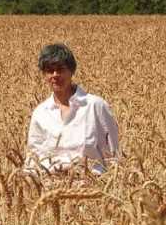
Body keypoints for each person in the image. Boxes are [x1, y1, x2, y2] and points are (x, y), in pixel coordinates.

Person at [26, 43, 120, 174]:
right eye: (49, 70)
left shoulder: (95, 106)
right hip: (51, 188)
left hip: (90, 188)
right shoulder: (40, 113)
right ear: (44, 75)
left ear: (72, 71)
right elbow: (33, 159)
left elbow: (113, 156)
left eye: (60, 69)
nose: (55, 75)